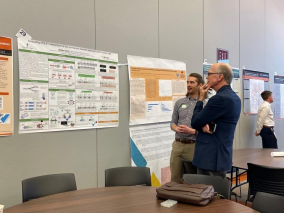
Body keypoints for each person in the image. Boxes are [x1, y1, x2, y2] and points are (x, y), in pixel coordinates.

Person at [191, 63, 241, 179]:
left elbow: (195, 122)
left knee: (208, 194)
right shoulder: (234, 97)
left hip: (210, 157)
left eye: (209, 74)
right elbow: (220, 120)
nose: (207, 77)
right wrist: (205, 123)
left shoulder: (220, 98)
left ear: (220, 77)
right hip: (219, 154)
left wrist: (201, 99)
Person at [170, 73, 206, 183]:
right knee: (175, 179)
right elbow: (172, 122)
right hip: (178, 144)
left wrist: (193, 131)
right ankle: (175, 199)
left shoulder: (205, 104)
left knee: (193, 180)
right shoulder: (180, 102)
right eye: (187, 82)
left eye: (192, 82)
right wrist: (176, 128)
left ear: (200, 85)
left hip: (194, 145)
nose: (188, 85)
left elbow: (209, 129)